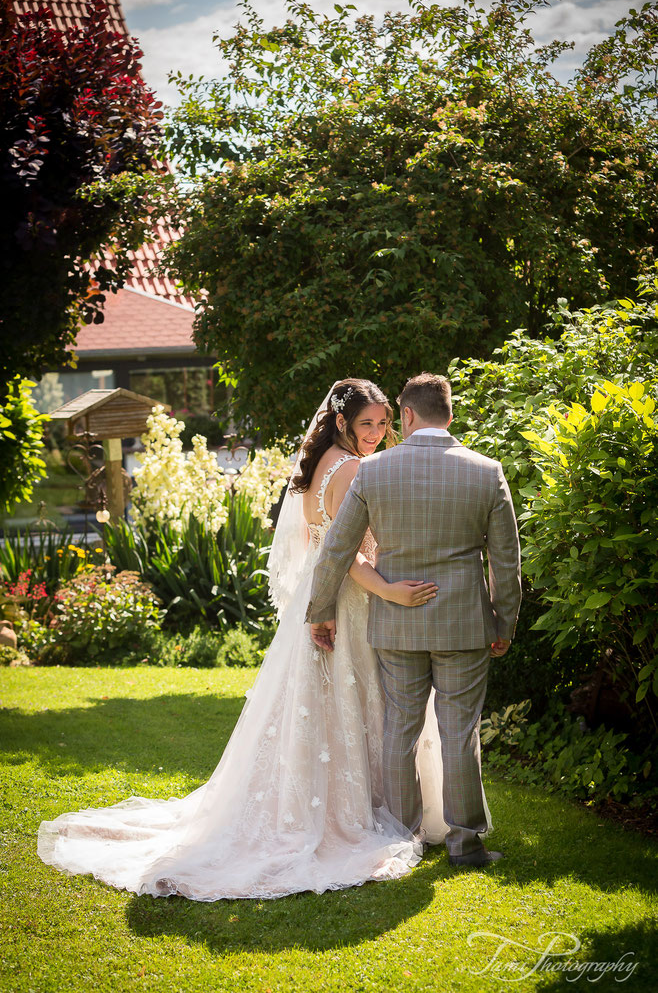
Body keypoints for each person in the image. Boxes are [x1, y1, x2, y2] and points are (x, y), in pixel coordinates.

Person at [38, 378, 489, 900]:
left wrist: (321, 604)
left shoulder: (318, 470)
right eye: (367, 423)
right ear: (342, 422)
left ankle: (347, 807)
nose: (377, 432)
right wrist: (387, 587)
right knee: (370, 707)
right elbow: (344, 556)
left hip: (321, 604)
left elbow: (313, 541)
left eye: (384, 422)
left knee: (335, 709)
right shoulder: (355, 470)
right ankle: (370, 816)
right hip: (355, 599)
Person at [308, 373, 521, 869]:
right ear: (448, 412)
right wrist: (503, 623)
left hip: (396, 624)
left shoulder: (374, 471)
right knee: (458, 733)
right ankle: (465, 844)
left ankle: (402, 839)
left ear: (406, 414)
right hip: (464, 625)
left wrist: (319, 611)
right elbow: (505, 562)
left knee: (399, 730)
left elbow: (336, 548)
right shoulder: (487, 471)